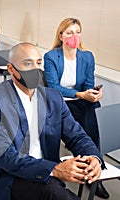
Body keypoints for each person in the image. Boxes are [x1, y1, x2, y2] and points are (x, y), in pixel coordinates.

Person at [0, 42, 104, 200]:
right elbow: (6, 157)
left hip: (45, 175)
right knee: (55, 193)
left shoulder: (53, 98)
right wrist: (55, 169)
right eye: (28, 63)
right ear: (11, 69)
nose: (35, 69)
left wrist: (93, 157)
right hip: (9, 177)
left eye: (38, 63)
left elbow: (77, 136)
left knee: (53, 190)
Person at [43, 18, 108, 199]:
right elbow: (54, 87)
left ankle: (93, 169)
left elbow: (88, 84)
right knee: (84, 116)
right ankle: (91, 169)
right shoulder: (51, 57)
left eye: (78, 32)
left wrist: (93, 93)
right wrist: (80, 95)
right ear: (61, 35)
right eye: (70, 32)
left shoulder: (87, 57)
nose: (74, 36)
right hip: (59, 102)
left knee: (92, 107)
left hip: (81, 103)